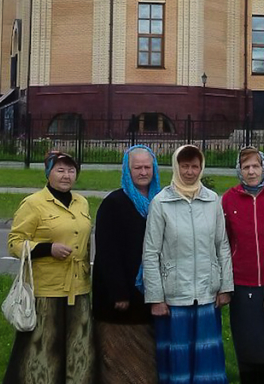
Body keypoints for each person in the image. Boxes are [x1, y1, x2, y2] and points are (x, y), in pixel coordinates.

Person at [142, 144, 233, 384]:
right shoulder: (161, 203)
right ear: (176, 166)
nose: (190, 172)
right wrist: (156, 298)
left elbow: (221, 245)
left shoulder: (212, 200)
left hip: (206, 292)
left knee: (207, 359)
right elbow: (151, 253)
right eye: (185, 166)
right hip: (174, 297)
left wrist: (225, 287)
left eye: (195, 166)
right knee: (178, 359)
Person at [3, 150, 93, 384]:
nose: (66, 176)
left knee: (77, 351)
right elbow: (14, 244)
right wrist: (47, 249)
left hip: (78, 290)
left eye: (71, 170)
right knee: (41, 352)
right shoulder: (33, 204)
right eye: (60, 170)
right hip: (46, 293)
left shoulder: (81, 202)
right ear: (48, 173)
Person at [93, 145, 163, 383]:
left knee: (147, 364)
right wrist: (118, 292)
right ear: (127, 170)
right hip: (121, 303)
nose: (143, 172)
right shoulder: (114, 203)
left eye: (147, 167)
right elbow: (107, 252)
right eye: (137, 167)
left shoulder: (161, 201)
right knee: (120, 364)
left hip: (151, 297)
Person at [221, 147, 264, 384]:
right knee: (249, 344)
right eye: (246, 167)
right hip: (243, 283)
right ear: (239, 170)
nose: (251, 171)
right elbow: (223, 242)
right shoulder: (229, 199)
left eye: (255, 166)